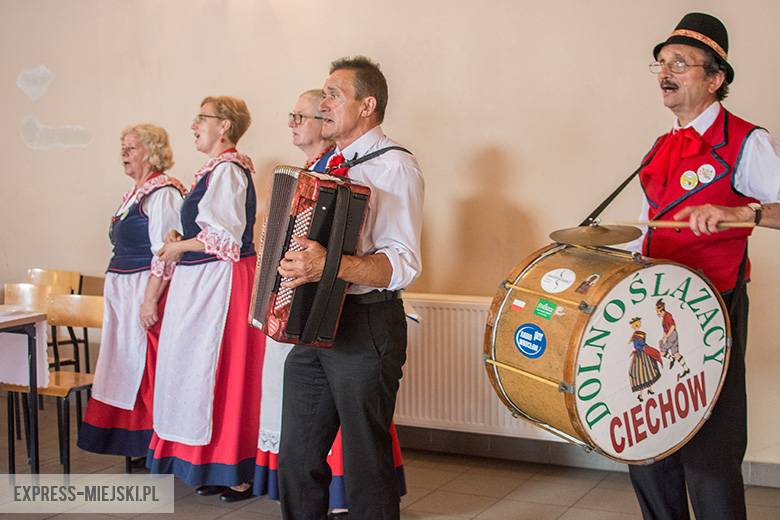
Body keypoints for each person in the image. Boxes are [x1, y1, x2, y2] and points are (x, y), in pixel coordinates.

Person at [627, 12, 780, 519]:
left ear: (716, 79)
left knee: (708, 452)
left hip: (714, 305)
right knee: (648, 442)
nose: (667, 72)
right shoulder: (660, 145)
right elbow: (652, 226)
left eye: (681, 63)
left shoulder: (746, 140)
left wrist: (744, 212)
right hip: (656, 306)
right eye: (662, 63)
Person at [276, 56, 424, 520]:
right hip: (316, 324)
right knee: (296, 460)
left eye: (334, 94)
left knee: (366, 463)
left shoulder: (394, 166)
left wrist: (329, 265)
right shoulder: (327, 165)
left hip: (366, 323)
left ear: (368, 105)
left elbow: (403, 264)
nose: (324, 103)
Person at [148, 96, 266, 503]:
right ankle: (212, 462)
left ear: (225, 127)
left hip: (222, 283)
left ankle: (234, 467)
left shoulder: (230, 170)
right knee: (199, 373)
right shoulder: (215, 170)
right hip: (204, 280)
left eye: (202, 118)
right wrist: (180, 241)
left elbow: (225, 238)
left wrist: (178, 250)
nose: (194, 124)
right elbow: (209, 230)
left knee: (221, 373)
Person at [77, 124, 185, 464]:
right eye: (123, 147)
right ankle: (133, 445)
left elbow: (166, 251)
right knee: (125, 365)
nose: (124, 153)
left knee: (146, 369)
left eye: (132, 147)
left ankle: (152, 448)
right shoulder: (136, 193)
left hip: (144, 290)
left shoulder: (163, 193)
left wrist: (150, 299)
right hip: (124, 291)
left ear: (152, 153)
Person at [627, 317, 661, 402]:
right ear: (636, 324)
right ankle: (640, 395)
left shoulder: (641, 333)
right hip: (640, 355)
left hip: (645, 352)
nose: (640, 324)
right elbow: (636, 346)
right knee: (642, 373)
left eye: (640, 322)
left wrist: (647, 348)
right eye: (639, 322)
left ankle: (649, 389)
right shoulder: (635, 335)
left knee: (649, 370)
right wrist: (643, 348)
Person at [655, 298, 689, 377]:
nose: (657, 314)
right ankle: (686, 369)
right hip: (671, 335)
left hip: (672, 335)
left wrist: (667, 337)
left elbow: (673, 326)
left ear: (661, 310)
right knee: (676, 354)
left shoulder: (668, 315)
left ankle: (671, 359)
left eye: (658, 312)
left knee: (662, 352)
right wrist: (663, 339)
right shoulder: (663, 320)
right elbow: (665, 331)